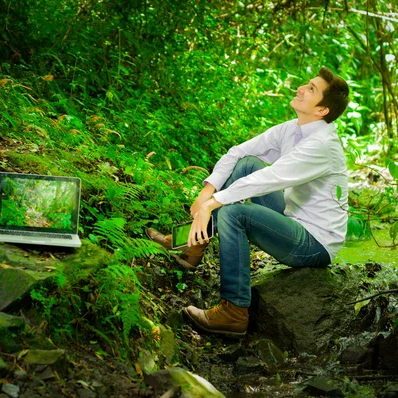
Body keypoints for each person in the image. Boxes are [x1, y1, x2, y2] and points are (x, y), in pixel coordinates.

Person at [146, 66, 350, 337]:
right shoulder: (295, 128)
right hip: (290, 217)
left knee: (235, 213)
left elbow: (271, 178)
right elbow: (239, 152)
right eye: (306, 84)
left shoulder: (322, 145)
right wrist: (207, 191)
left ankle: (233, 311)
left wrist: (212, 204)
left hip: (315, 243)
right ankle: (189, 245)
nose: (301, 89)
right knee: (247, 165)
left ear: (322, 110)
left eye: (311, 89)